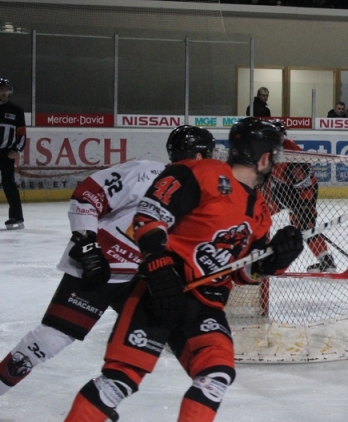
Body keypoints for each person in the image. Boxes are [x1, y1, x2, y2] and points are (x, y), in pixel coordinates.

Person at [42, 119, 305, 422]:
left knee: (216, 373)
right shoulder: (202, 172)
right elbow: (150, 214)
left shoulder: (260, 211)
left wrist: (274, 259)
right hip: (158, 293)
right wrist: (158, 264)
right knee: (122, 376)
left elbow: (242, 272)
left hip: (205, 305)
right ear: (265, 158)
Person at [0, 126, 214, 397]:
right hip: (97, 269)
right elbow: (88, 195)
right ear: (198, 155)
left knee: (154, 337)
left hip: (140, 278)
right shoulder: (146, 172)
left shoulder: (201, 197)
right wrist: (88, 247)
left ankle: (101, 401)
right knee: (53, 336)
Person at [264, 119, 336, 273]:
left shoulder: (291, 155)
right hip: (280, 188)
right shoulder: (266, 149)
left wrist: (301, 209)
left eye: (278, 136)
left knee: (305, 226)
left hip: (302, 191)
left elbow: (303, 185)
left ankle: (326, 261)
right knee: (258, 214)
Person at [0, 77, 25, 230]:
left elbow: (21, 133)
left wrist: (15, 149)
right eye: (1, 90)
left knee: (9, 184)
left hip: (6, 153)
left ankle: (16, 216)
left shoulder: (16, 110)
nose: (4, 93)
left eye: (6, 90)